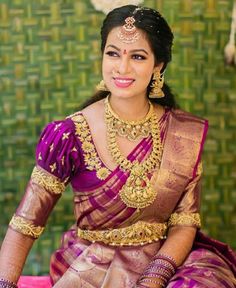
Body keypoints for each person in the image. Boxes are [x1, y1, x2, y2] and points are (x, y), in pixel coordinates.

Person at [0, 4, 235, 288]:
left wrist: (154, 277)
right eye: (113, 53)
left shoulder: (182, 132)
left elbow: (185, 223)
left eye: (137, 56)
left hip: (168, 260)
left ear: (158, 65)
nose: (122, 68)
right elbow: (25, 224)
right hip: (92, 263)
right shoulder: (69, 134)